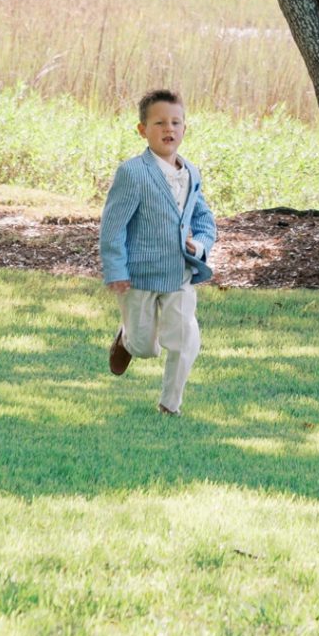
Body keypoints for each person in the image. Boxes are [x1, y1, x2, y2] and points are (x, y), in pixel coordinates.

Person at [98, 88, 216, 416]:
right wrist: (116, 270)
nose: (169, 129)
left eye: (176, 122)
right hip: (140, 275)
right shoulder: (133, 173)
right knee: (144, 346)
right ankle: (126, 340)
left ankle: (170, 404)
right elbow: (113, 227)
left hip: (180, 272)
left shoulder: (191, 172)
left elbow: (205, 220)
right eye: (160, 122)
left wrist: (201, 245)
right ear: (142, 130)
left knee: (185, 336)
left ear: (184, 129)